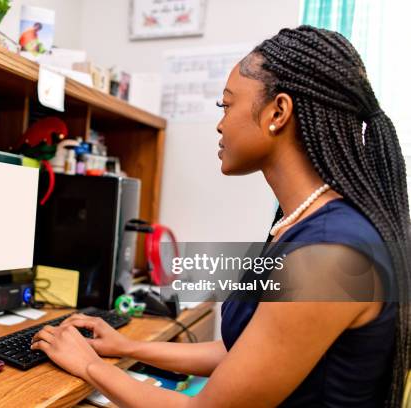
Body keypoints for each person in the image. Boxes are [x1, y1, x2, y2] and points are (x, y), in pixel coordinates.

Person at [31, 26, 410, 407]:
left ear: (278, 111)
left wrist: (90, 367)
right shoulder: (303, 225)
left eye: (226, 105)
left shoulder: (328, 252)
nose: (220, 123)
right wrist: (125, 346)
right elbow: (240, 355)